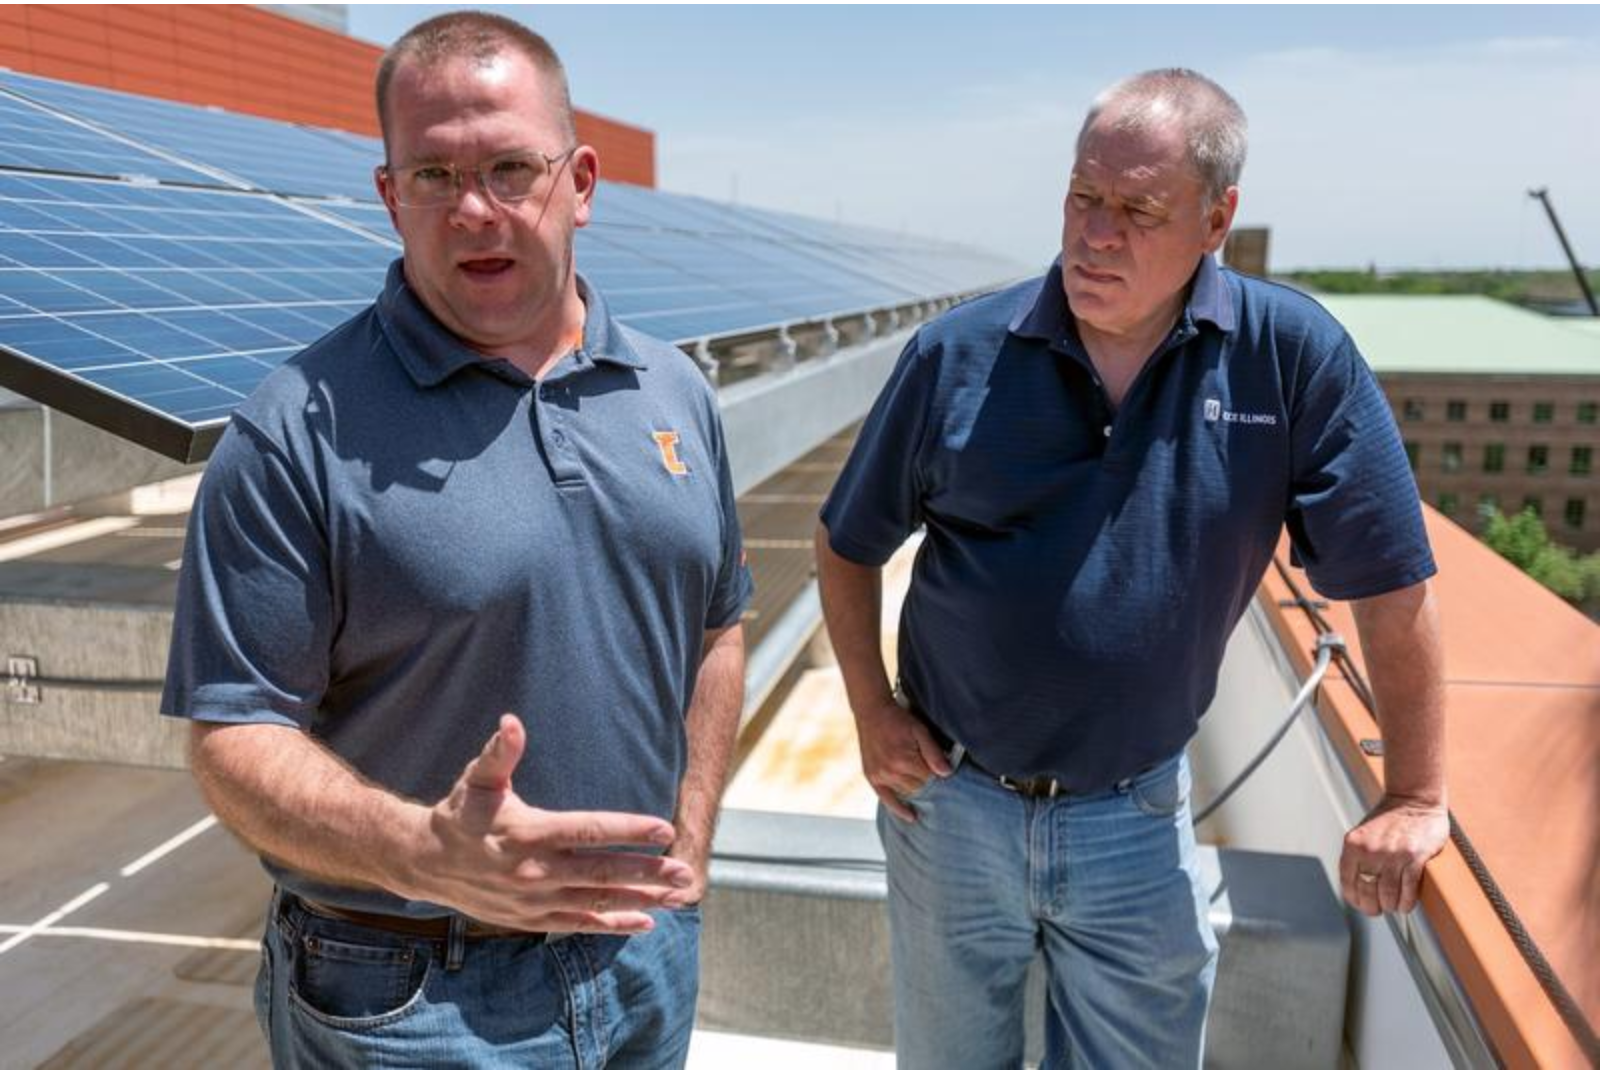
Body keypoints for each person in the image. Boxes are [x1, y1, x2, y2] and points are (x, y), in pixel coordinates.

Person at [815, 68, 1448, 1068]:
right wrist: (871, 709)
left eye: (1138, 210)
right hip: (950, 807)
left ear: (1216, 219)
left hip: (1136, 816)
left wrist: (1413, 793)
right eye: (1083, 197)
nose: (1096, 233)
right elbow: (848, 542)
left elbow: (1391, 579)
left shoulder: (1290, 358)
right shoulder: (957, 354)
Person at [161, 11, 752, 1067]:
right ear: (390, 196)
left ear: (580, 181)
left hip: (641, 954)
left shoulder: (674, 391)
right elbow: (230, 739)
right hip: (408, 996)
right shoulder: (296, 431)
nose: (474, 209)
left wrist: (693, 835)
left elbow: (716, 626)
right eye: (433, 175)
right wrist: (428, 852)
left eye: (510, 167)